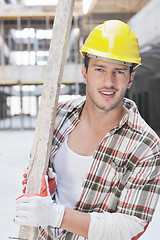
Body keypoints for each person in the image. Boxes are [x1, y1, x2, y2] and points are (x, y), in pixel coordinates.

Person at [15, 20, 160, 240]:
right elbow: (38, 175)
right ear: (85, 73)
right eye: (99, 69)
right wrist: (45, 187)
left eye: (119, 71)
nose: (108, 82)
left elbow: (130, 226)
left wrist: (55, 215)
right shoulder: (58, 115)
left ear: (130, 78)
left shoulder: (147, 146)